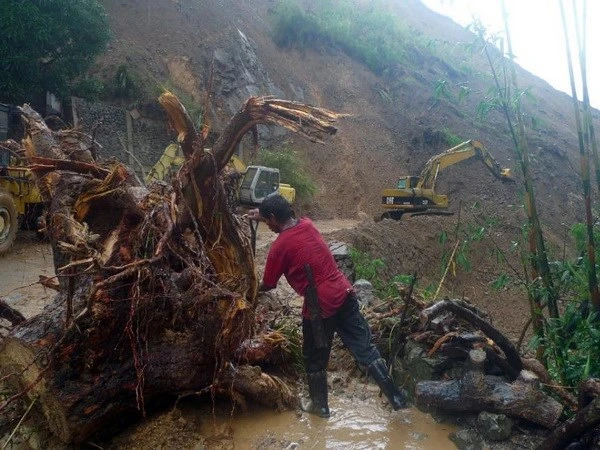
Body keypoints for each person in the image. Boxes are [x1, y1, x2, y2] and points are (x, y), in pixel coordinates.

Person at [248, 194, 408, 418]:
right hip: (343, 292)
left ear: (273, 217)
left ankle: (320, 406)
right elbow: (280, 222)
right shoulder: (307, 224)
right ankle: (397, 398)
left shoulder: (279, 246)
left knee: (314, 357)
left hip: (319, 306)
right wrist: (259, 216)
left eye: (267, 221)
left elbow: (269, 283)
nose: (268, 226)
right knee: (365, 349)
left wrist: (249, 288)